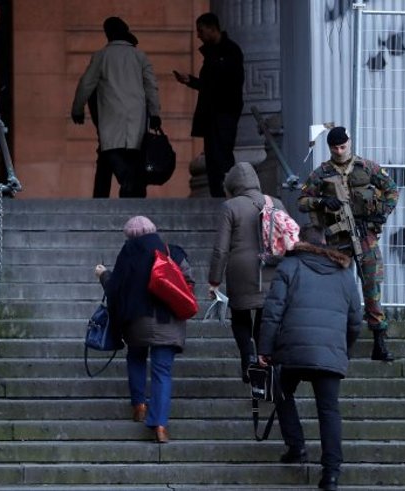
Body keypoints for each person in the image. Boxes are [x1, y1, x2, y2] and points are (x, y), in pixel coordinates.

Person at [258, 224, 363, 491]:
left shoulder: (289, 267)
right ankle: (331, 474)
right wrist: (344, 350)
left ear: (301, 241)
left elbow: (272, 312)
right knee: (329, 411)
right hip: (330, 351)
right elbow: (354, 320)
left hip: (293, 349)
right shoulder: (344, 272)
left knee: (281, 391)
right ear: (325, 241)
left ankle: (296, 446)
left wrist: (265, 351)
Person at [297, 126, 399, 361]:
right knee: (337, 288)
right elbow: (302, 201)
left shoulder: (367, 167)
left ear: (349, 143)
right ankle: (338, 340)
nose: (340, 151)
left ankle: (379, 341)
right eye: (335, 147)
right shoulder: (321, 172)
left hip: (365, 235)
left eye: (343, 146)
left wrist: (381, 212)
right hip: (337, 239)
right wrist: (323, 202)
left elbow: (392, 190)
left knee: (372, 286)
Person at [95, 216, 194, 443]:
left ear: (129, 236)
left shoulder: (128, 255)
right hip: (168, 322)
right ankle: (160, 425)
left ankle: (139, 405)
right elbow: (188, 282)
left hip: (136, 322)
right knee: (162, 372)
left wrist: (103, 275)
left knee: (136, 357)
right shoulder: (173, 252)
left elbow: (115, 290)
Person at [207, 162, 289, 383]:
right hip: (272, 268)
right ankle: (264, 362)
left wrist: (214, 280)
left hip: (241, 270)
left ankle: (248, 357)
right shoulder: (276, 202)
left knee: (241, 317)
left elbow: (221, 249)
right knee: (265, 318)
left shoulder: (230, 207)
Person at [71, 17, 161, 198]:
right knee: (132, 159)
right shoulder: (139, 56)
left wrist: (77, 110)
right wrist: (155, 113)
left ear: (108, 34)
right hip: (136, 118)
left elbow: (85, 84)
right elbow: (151, 86)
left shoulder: (101, 56)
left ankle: (113, 190)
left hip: (111, 116)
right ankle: (131, 194)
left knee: (109, 153)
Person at [173, 12, 244, 198]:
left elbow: (229, 84)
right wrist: (190, 81)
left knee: (223, 157)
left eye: (201, 30)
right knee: (212, 159)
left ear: (213, 28)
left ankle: (228, 196)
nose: (198, 35)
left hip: (225, 113)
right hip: (211, 114)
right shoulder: (212, 53)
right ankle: (216, 198)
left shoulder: (230, 51)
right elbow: (209, 86)